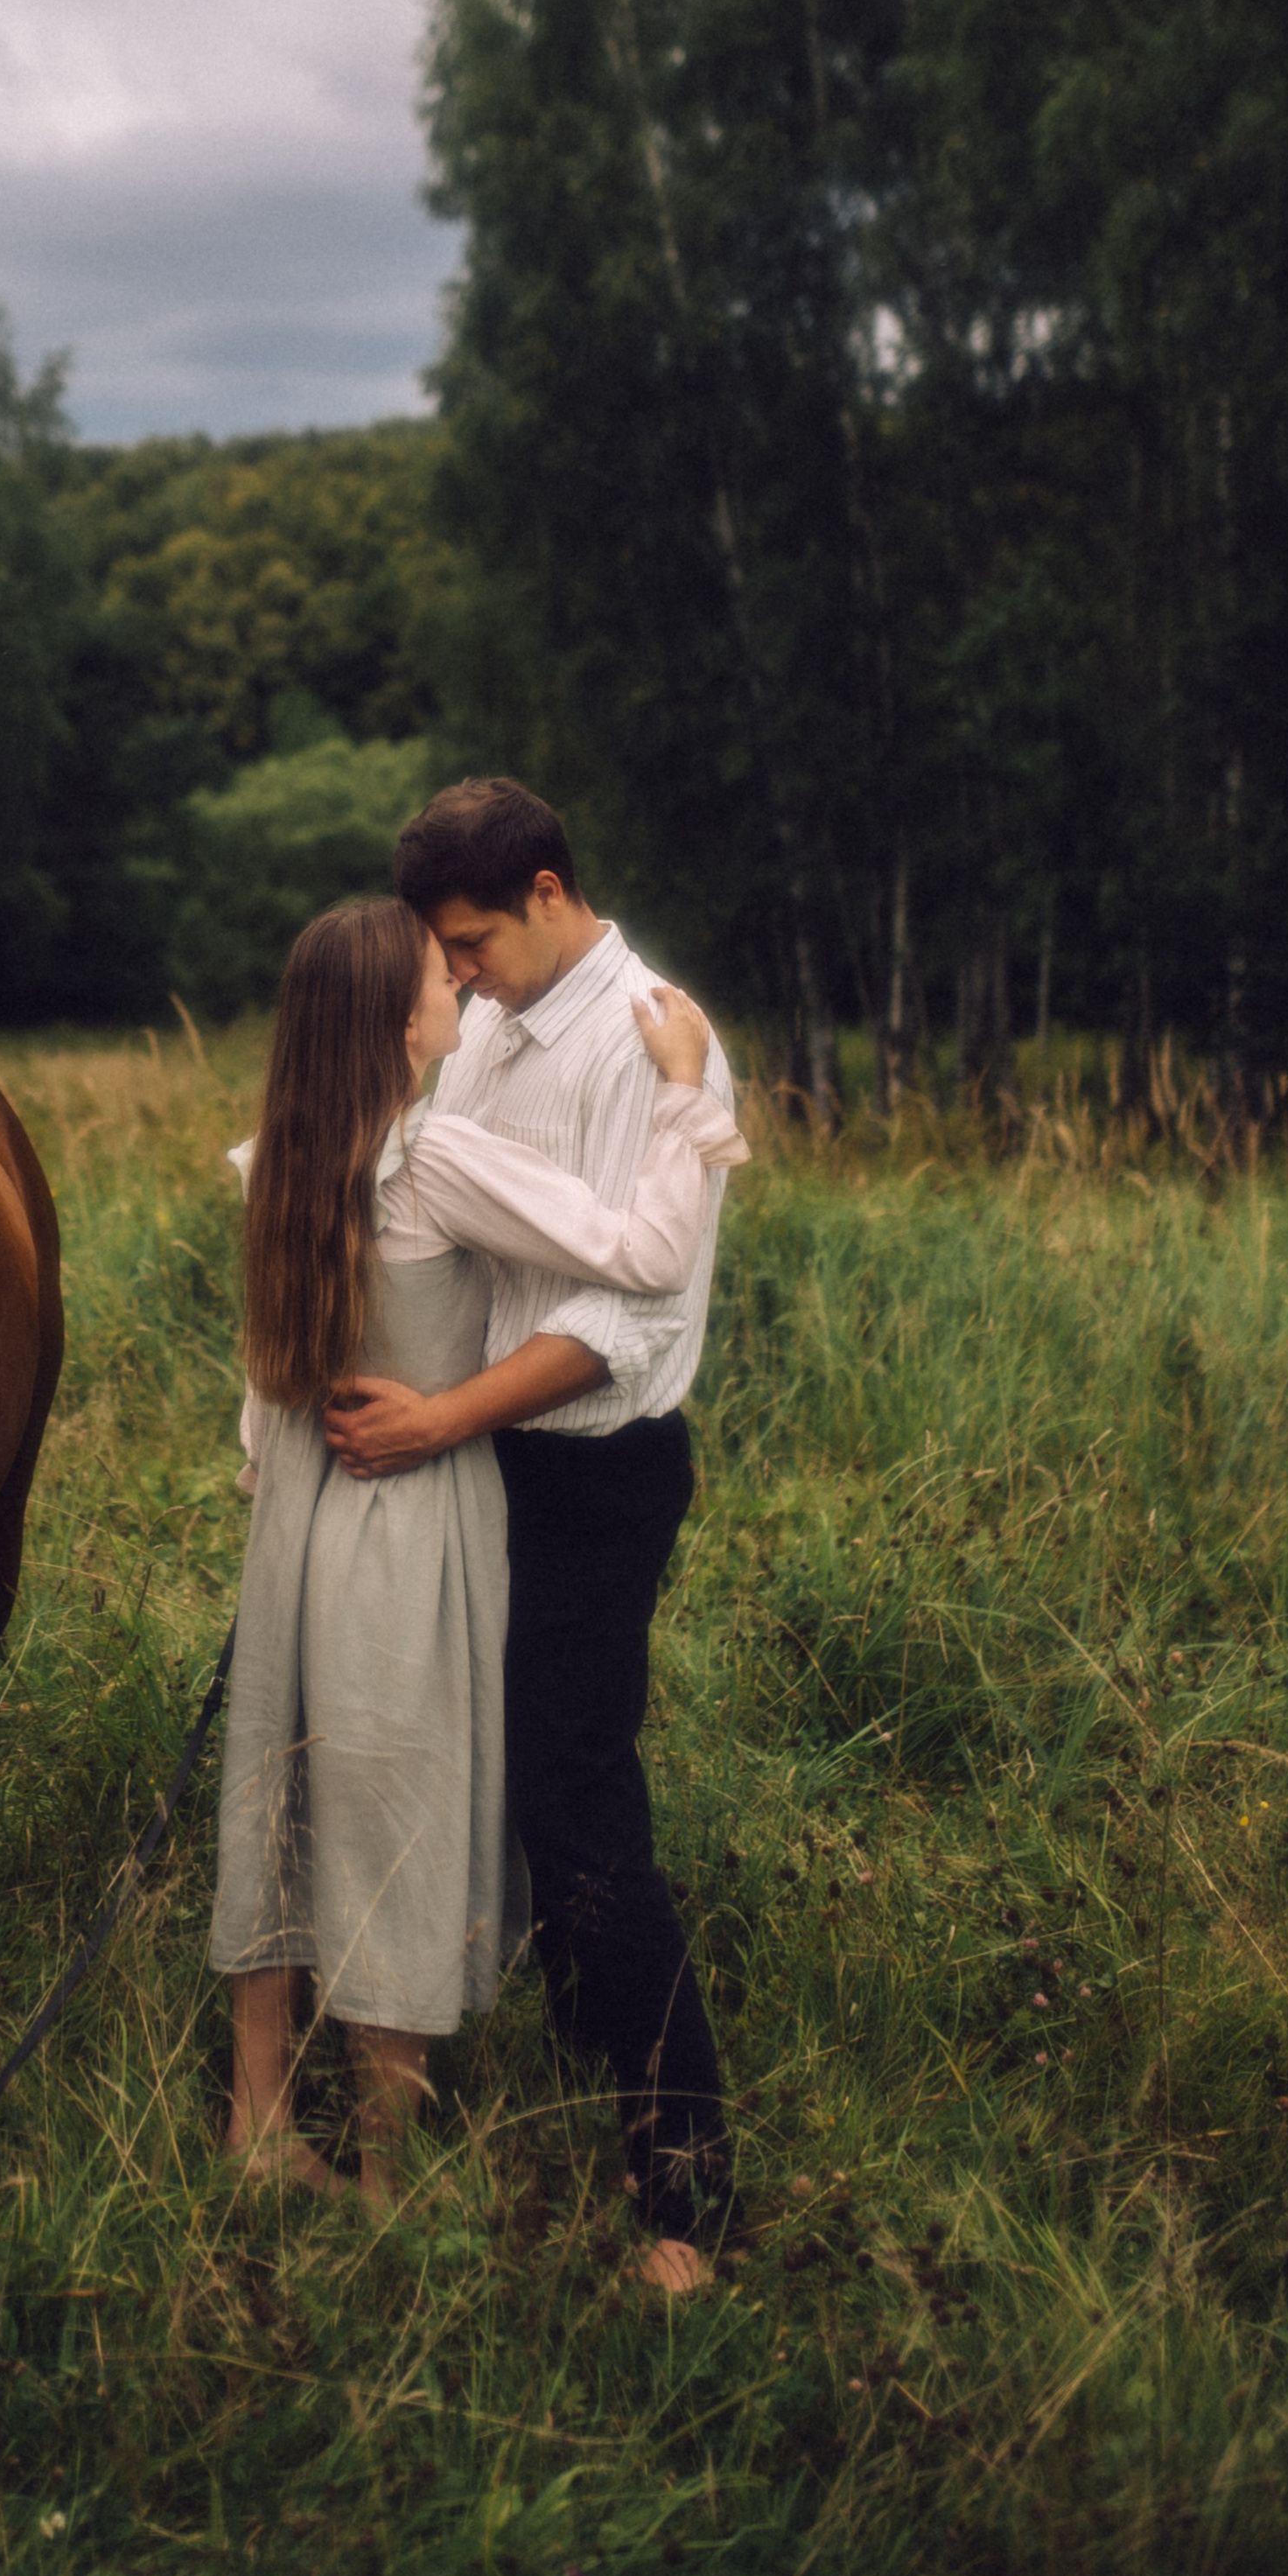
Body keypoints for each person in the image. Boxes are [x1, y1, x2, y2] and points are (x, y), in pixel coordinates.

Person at [211, 892, 746, 2210]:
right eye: (437, 978)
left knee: (276, 1779)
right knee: (399, 1801)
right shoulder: (431, 1157)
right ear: (405, 1026)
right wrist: (686, 1099)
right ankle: (389, 2166)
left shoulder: (278, 1152)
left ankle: (259, 2118)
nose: (460, 984)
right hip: (413, 1506)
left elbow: (257, 1382)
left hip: (299, 1504)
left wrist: (272, 1462)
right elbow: (651, 1250)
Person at [325, 782, 739, 2292]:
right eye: (449, 953)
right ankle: (560, 2057)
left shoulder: (656, 1042)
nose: (462, 972)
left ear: (550, 891)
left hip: (592, 1466)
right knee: (483, 1769)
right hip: (483, 1463)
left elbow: (625, 1312)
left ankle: (686, 2190)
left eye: (474, 941)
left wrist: (438, 1421)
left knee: (580, 1799)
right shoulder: (488, 1020)